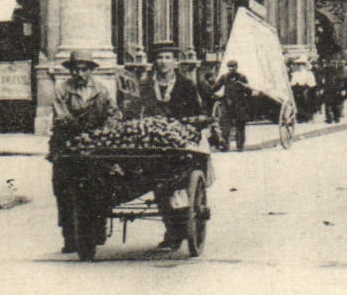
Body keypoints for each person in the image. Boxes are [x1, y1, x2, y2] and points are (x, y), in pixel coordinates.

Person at [130, 44, 205, 250]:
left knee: (174, 184)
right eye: (160, 58)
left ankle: (175, 231)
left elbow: (197, 112)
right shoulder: (146, 85)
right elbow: (135, 109)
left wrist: (184, 125)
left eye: (167, 57)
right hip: (152, 140)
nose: (163, 61)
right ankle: (172, 229)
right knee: (157, 183)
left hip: (178, 142)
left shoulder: (186, 85)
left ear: (175, 62)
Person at [49, 50, 116, 253]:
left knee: (102, 184)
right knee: (63, 188)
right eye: (75, 70)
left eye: (84, 69)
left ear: (90, 71)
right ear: (70, 72)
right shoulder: (62, 90)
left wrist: (106, 130)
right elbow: (61, 116)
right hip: (68, 142)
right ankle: (69, 235)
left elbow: (113, 112)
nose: (79, 74)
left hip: (96, 144)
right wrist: (78, 132)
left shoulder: (101, 90)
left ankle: (98, 228)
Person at [213, 60, 252, 151]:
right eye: (230, 68)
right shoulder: (224, 77)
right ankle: (225, 145)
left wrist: (244, 87)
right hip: (228, 105)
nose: (232, 70)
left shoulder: (242, 78)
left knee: (240, 126)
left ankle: (239, 146)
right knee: (226, 126)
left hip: (239, 105)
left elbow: (249, 91)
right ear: (228, 68)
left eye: (233, 67)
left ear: (236, 67)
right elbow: (216, 87)